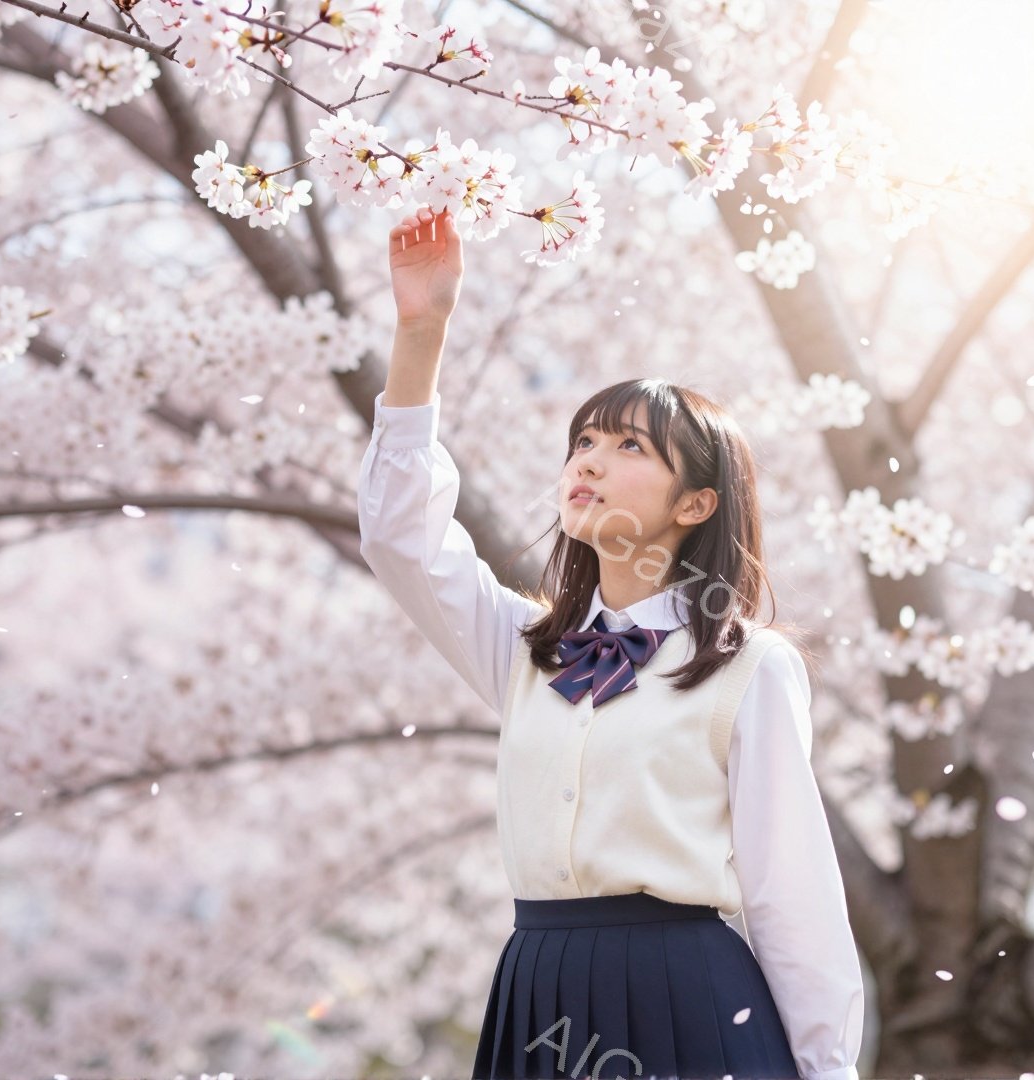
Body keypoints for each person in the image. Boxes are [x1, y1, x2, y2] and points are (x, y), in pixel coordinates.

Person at [357, 203, 866, 1080]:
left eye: (629, 446)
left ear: (695, 503)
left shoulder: (750, 667)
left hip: (690, 999)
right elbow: (401, 541)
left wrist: (827, 1070)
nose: (586, 461)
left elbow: (793, 891)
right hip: (539, 991)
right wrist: (421, 334)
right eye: (583, 441)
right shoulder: (524, 648)